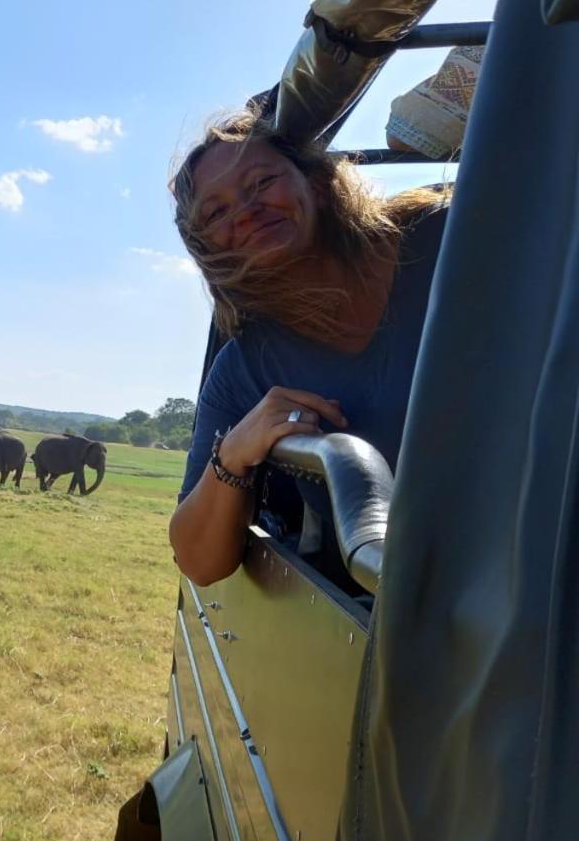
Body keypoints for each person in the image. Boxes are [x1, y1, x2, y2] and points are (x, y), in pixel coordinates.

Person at [166, 109, 449, 586]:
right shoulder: (245, 369)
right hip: (413, 612)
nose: (245, 210)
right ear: (209, 247)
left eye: (261, 182)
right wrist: (232, 455)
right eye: (216, 212)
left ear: (316, 182)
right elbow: (199, 562)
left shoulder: (446, 237)